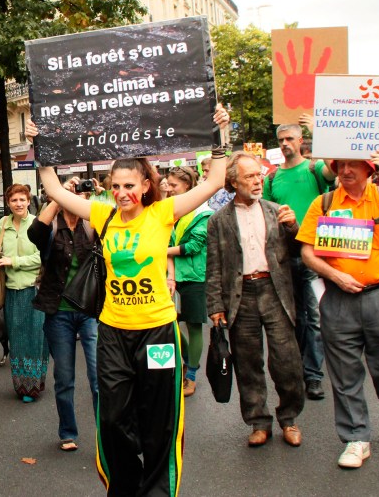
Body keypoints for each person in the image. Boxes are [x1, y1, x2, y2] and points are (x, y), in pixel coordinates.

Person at [35, 106, 230, 496]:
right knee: (112, 419)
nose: (122, 193)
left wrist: (219, 134)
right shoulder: (102, 214)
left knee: (160, 418)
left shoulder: (162, 213)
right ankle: (125, 486)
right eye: (115, 186)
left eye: (129, 186)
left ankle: (156, 490)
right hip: (113, 333)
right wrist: (41, 144)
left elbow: (214, 182)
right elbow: (55, 190)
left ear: (144, 186)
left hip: (157, 333)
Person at [296, 154, 379, 469]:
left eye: (353, 164)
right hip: (338, 300)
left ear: (368, 168)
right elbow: (307, 252)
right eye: (341, 165)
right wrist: (335, 276)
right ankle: (355, 438)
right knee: (343, 372)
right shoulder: (323, 204)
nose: (346, 170)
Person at [207, 152, 305, 447]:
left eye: (258, 175)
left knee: (287, 361)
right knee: (248, 363)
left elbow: (299, 253)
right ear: (234, 182)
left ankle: (289, 418)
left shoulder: (277, 211)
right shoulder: (218, 220)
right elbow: (214, 265)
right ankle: (258, 421)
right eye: (249, 176)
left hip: (275, 291)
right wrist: (215, 305)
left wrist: (294, 227)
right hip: (241, 295)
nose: (257, 181)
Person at [262, 122, 336, 400]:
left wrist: (321, 131)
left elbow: (334, 168)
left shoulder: (315, 169)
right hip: (285, 256)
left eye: (290, 138)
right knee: (294, 317)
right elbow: (267, 216)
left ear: (301, 140)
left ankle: (313, 374)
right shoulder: (272, 178)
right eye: (281, 139)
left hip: (315, 254)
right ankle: (300, 366)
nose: (285, 144)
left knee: (314, 316)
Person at [27, 175, 98, 453]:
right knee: (65, 378)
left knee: (98, 377)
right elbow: (34, 233)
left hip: (90, 310)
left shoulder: (92, 224)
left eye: (79, 194)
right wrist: (57, 196)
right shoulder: (53, 224)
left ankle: (106, 433)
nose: (75, 197)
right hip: (58, 312)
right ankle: (68, 432)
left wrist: (94, 197)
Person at [0, 183, 47, 402]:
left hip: (35, 290)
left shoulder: (38, 223)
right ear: (8, 203)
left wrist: (14, 261)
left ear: (29, 201)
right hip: (11, 291)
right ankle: (22, 385)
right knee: (18, 340)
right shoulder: (3, 224)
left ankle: (35, 383)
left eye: (22, 199)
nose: (18, 204)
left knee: (36, 338)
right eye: (14, 200)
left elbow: (43, 256)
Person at [165, 166, 212, 398]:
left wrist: (162, 250)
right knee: (170, 323)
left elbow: (193, 246)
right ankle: (186, 360)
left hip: (195, 276)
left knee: (194, 326)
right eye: (168, 184)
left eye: (174, 185)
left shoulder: (203, 212)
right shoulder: (169, 210)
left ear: (188, 185)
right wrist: (170, 275)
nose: (169, 188)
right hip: (172, 276)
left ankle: (191, 375)